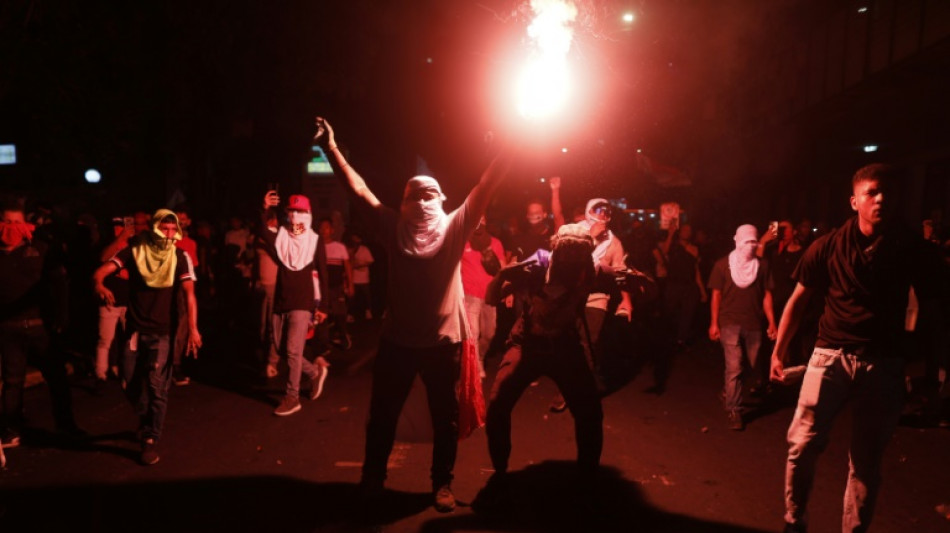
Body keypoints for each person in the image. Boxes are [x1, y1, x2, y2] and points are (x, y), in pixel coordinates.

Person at [316, 116, 514, 513]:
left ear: (442, 201)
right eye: (414, 197)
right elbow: (358, 191)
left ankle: (442, 485)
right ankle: (373, 478)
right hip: (398, 342)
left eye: (429, 196)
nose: (422, 203)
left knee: (446, 419)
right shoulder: (392, 226)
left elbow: (487, 184)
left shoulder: (457, 225)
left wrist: (518, 138)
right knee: (383, 416)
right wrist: (332, 149)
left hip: (444, 344)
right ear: (403, 203)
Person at [770, 164, 944, 533]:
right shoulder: (829, 245)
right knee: (801, 445)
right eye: (872, 192)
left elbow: (934, 312)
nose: (881, 199)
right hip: (830, 355)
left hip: (882, 363)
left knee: (865, 463)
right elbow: (799, 299)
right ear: (854, 201)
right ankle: (794, 519)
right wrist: (778, 351)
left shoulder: (910, 247)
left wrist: (933, 371)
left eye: (887, 193)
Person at [477, 224, 603, 509]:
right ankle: (500, 471)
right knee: (498, 405)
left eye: (578, 254)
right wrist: (501, 275)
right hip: (528, 344)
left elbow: (647, 292)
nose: (572, 261)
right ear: (556, 251)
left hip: (565, 346)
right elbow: (490, 297)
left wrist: (636, 286)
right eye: (566, 253)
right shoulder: (534, 268)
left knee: (590, 412)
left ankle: (588, 476)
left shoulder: (590, 270)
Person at [92, 209, 201, 465]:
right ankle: (145, 417)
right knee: (127, 381)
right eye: (165, 229)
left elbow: (189, 294)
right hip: (135, 329)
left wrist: (193, 328)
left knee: (157, 387)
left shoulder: (179, 256)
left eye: (174, 230)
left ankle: (151, 438)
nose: (170, 234)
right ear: (154, 228)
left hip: (162, 332)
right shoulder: (136, 250)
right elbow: (101, 270)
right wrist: (99, 284)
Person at [1, 200, 79, 448]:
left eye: (17, 222)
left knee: (56, 377)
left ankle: (67, 426)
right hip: (8, 328)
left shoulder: (41, 249)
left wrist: (62, 315)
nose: (12, 227)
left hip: (40, 326)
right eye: (7, 222)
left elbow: (60, 283)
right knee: (13, 381)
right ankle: (11, 430)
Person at [259, 193, 330, 415]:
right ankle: (314, 373)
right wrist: (264, 208)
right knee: (281, 348)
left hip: (302, 301)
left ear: (308, 214)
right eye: (292, 211)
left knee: (292, 351)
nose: (295, 215)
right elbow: (261, 230)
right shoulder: (281, 238)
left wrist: (323, 307)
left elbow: (324, 274)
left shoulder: (314, 240)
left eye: (300, 211)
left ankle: (292, 397)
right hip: (281, 301)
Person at [708, 224, 777, 431]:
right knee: (734, 366)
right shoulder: (723, 265)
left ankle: (728, 392)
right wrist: (713, 323)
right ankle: (735, 409)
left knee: (749, 365)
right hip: (729, 323)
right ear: (737, 241)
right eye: (745, 241)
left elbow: (766, 295)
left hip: (754, 324)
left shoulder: (762, 266)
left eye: (753, 241)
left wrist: (772, 321)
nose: (750, 245)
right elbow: (716, 295)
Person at [461, 216, 506, 378]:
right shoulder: (463, 242)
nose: (479, 223)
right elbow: (456, 269)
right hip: (469, 295)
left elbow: (503, 268)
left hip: (490, 295)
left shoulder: (495, 243)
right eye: (475, 219)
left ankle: (480, 356)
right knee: (473, 333)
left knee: (489, 334)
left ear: (487, 222)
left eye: (482, 220)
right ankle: (474, 366)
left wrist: (506, 290)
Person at [317, 218, 354, 350]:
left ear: (332, 230)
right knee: (321, 316)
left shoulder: (340, 247)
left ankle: (344, 337)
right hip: (321, 288)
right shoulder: (316, 247)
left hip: (336, 286)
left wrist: (350, 285)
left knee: (340, 314)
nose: (323, 230)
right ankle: (323, 343)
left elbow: (348, 267)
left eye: (326, 227)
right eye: (321, 227)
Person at [346, 231, 375, 320]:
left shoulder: (364, 249)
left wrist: (359, 265)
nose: (354, 240)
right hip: (353, 278)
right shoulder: (349, 249)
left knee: (366, 296)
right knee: (351, 297)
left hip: (363, 278)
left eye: (356, 238)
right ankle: (350, 314)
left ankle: (368, 311)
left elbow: (371, 261)